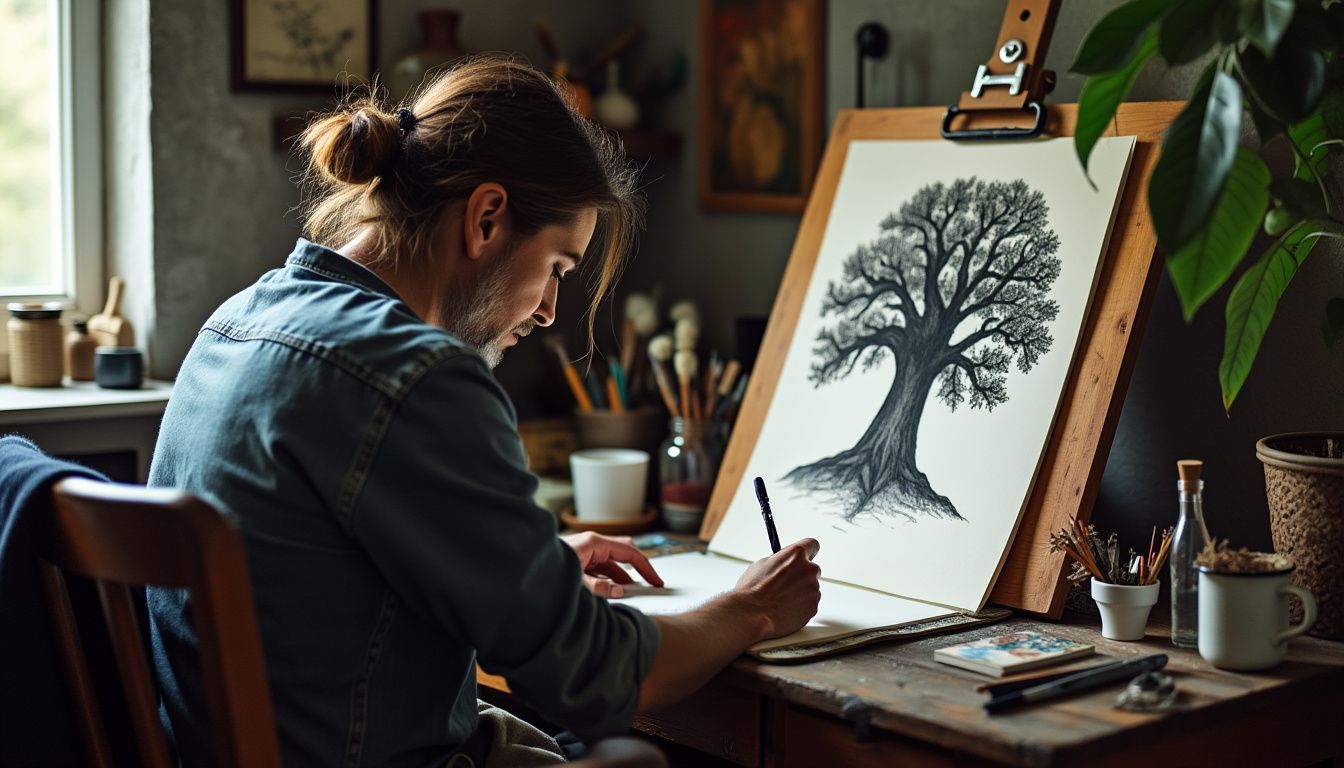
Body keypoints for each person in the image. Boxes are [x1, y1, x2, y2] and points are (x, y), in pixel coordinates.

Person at [147, 56, 821, 767]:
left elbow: (314, 574)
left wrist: (530, 566)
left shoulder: (233, 323)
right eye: (557, 267)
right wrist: (753, 609)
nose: (551, 310)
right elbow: (600, 679)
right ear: (488, 217)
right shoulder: (416, 377)